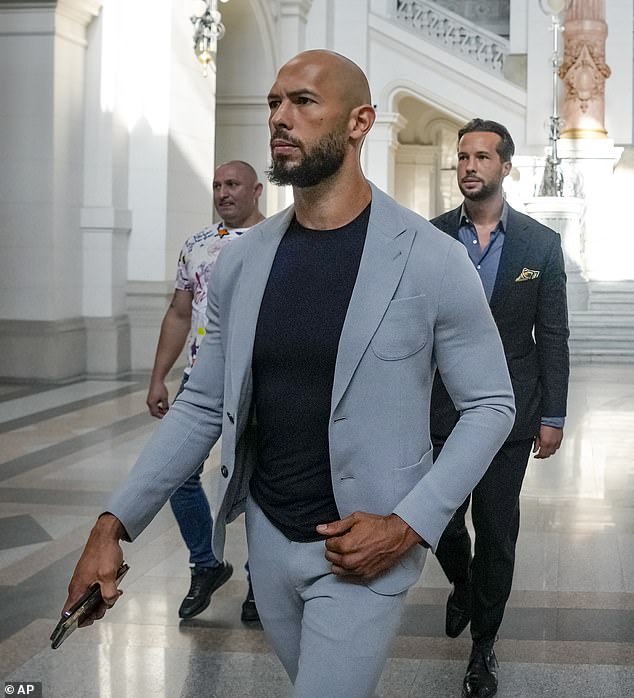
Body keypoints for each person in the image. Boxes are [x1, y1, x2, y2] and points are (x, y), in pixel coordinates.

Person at [62, 51, 516, 698]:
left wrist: (410, 522)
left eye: (303, 102)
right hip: (269, 542)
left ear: (360, 121)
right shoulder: (242, 266)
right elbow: (201, 406)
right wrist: (111, 526)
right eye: (274, 102)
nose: (280, 117)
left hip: (368, 547)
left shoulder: (433, 259)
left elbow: (492, 405)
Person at [430, 118, 570, 698]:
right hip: (442, 410)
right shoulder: (432, 237)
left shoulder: (540, 244)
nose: (469, 166)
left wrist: (553, 416)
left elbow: (553, 334)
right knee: (436, 521)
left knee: (497, 530)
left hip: (512, 414)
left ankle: (484, 645)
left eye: (482, 157)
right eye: (462, 156)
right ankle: (463, 584)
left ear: (505, 167)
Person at [145, 160, 264, 621]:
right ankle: (206, 562)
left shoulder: (277, 241)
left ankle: (261, 581)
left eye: (232, 184)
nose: (222, 192)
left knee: (261, 483)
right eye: (216, 185)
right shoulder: (196, 245)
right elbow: (179, 313)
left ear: (256, 190)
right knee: (176, 473)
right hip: (201, 380)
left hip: (258, 381)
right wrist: (159, 375)